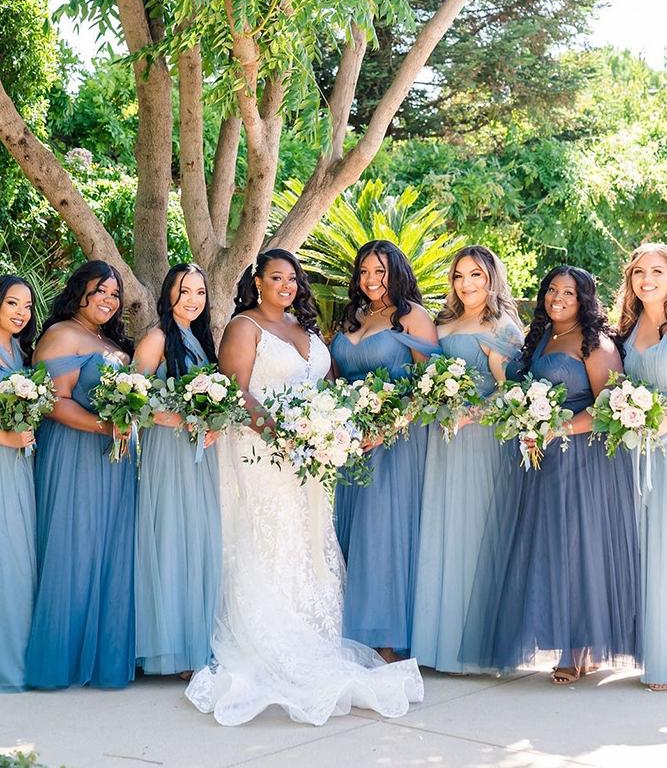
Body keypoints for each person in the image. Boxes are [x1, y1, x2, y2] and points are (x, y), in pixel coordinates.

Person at [186, 248, 423, 725]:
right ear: (258, 281)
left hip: (308, 457)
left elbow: (331, 385)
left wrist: (329, 430)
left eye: (292, 279)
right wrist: (286, 436)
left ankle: (314, 632)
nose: (287, 286)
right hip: (261, 451)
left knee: (308, 537)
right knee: (266, 538)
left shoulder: (306, 330)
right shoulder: (244, 327)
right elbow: (237, 392)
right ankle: (268, 634)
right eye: (277, 277)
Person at [459, 266, 641, 683]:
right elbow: (519, 394)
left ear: (584, 300)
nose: (557, 298)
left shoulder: (598, 344)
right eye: (552, 290)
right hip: (543, 463)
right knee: (552, 549)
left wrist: (555, 427)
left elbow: (607, 409)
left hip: (585, 462)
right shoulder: (540, 338)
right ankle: (573, 642)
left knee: (580, 550)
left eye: (569, 293)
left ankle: (576, 649)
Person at [411, 246, 523, 672]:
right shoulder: (441, 322)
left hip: (482, 440)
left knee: (475, 532)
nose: (467, 284)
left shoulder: (503, 326)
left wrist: (471, 414)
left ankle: (478, 648)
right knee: (441, 527)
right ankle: (438, 642)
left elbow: (511, 393)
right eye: (459, 276)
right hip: (442, 437)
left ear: (492, 278)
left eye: (476, 275)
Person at [25, 261, 137, 689]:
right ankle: (61, 659)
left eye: (114, 294)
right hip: (73, 452)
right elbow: (53, 401)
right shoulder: (60, 335)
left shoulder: (108, 340)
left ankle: (102, 657)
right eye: (100, 291)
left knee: (109, 548)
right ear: (80, 292)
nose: (109, 300)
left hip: (115, 458)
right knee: (73, 546)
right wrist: (105, 426)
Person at [330, 240, 439, 661]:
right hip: (351, 440)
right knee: (355, 529)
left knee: (384, 531)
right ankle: (354, 631)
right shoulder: (352, 316)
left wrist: (389, 424)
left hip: (395, 441)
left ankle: (388, 636)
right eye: (364, 272)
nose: (371, 280)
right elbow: (337, 377)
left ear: (397, 271)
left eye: (380, 271)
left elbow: (431, 384)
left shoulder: (413, 317)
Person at [134, 264, 221, 678]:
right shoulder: (156, 338)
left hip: (199, 454)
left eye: (199, 292)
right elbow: (134, 399)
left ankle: (195, 641)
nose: (192, 299)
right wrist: (179, 419)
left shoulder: (200, 340)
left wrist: (213, 424)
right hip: (167, 452)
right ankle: (172, 648)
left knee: (198, 538)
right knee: (172, 536)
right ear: (169, 293)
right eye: (184, 291)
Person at [618, 242, 667, 691]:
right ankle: (656, 652)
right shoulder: (628, 329)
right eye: (638, 273)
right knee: (645, 553)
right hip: (637, 454)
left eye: (656, 271)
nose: (646, 279)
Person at [0, 275, 37, 692]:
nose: (20, 313)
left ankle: (20, 653)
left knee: (19, 558)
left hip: (20, 466)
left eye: (26, 306)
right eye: (12, 303)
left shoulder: (20, 351)